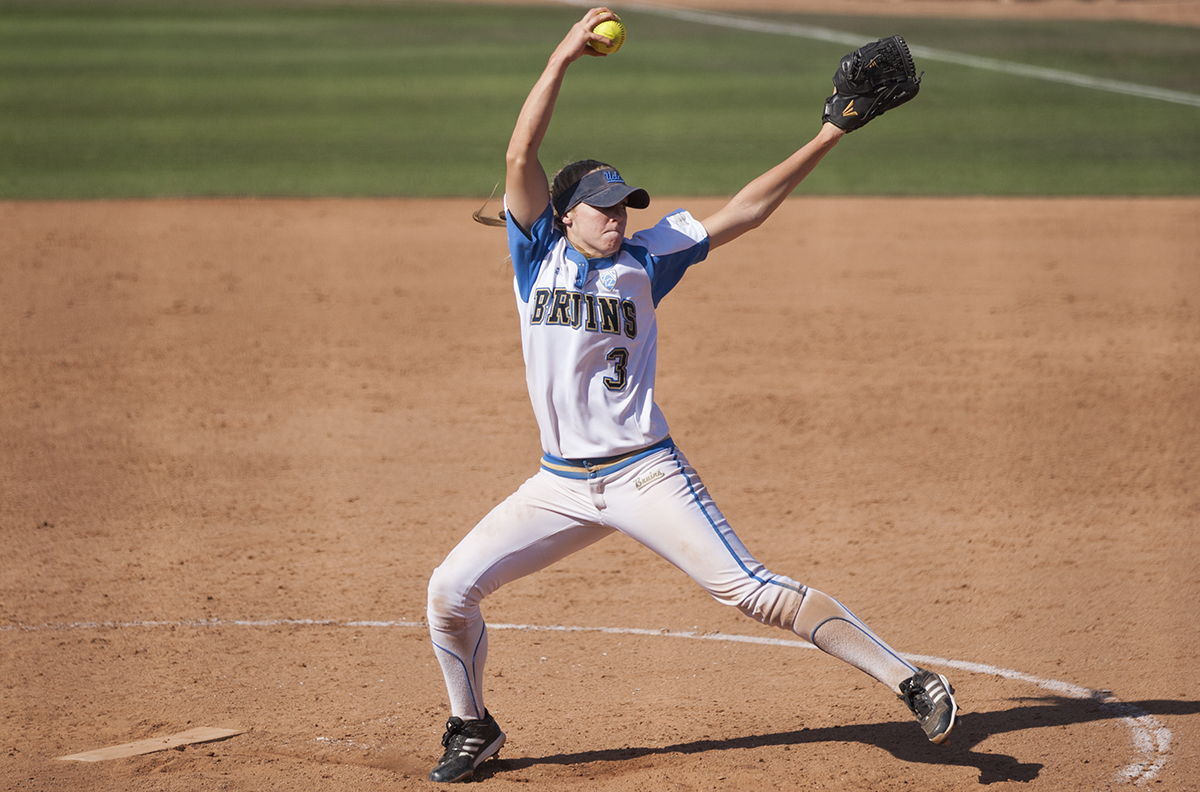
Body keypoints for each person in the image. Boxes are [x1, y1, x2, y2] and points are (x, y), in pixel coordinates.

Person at [425, 7, 955, 784]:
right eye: (603, 206)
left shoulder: (649, 257)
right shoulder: (534, 254)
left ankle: (913, 680)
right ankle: (472, 727)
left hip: (644, 473)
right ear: (562, 212)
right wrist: (564, 55)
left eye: (624, 205)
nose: (617, 217)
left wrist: (829, 134)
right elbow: (520, 150)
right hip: (560, 485)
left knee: (750, 591)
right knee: (447, 592)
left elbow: (744, 208)